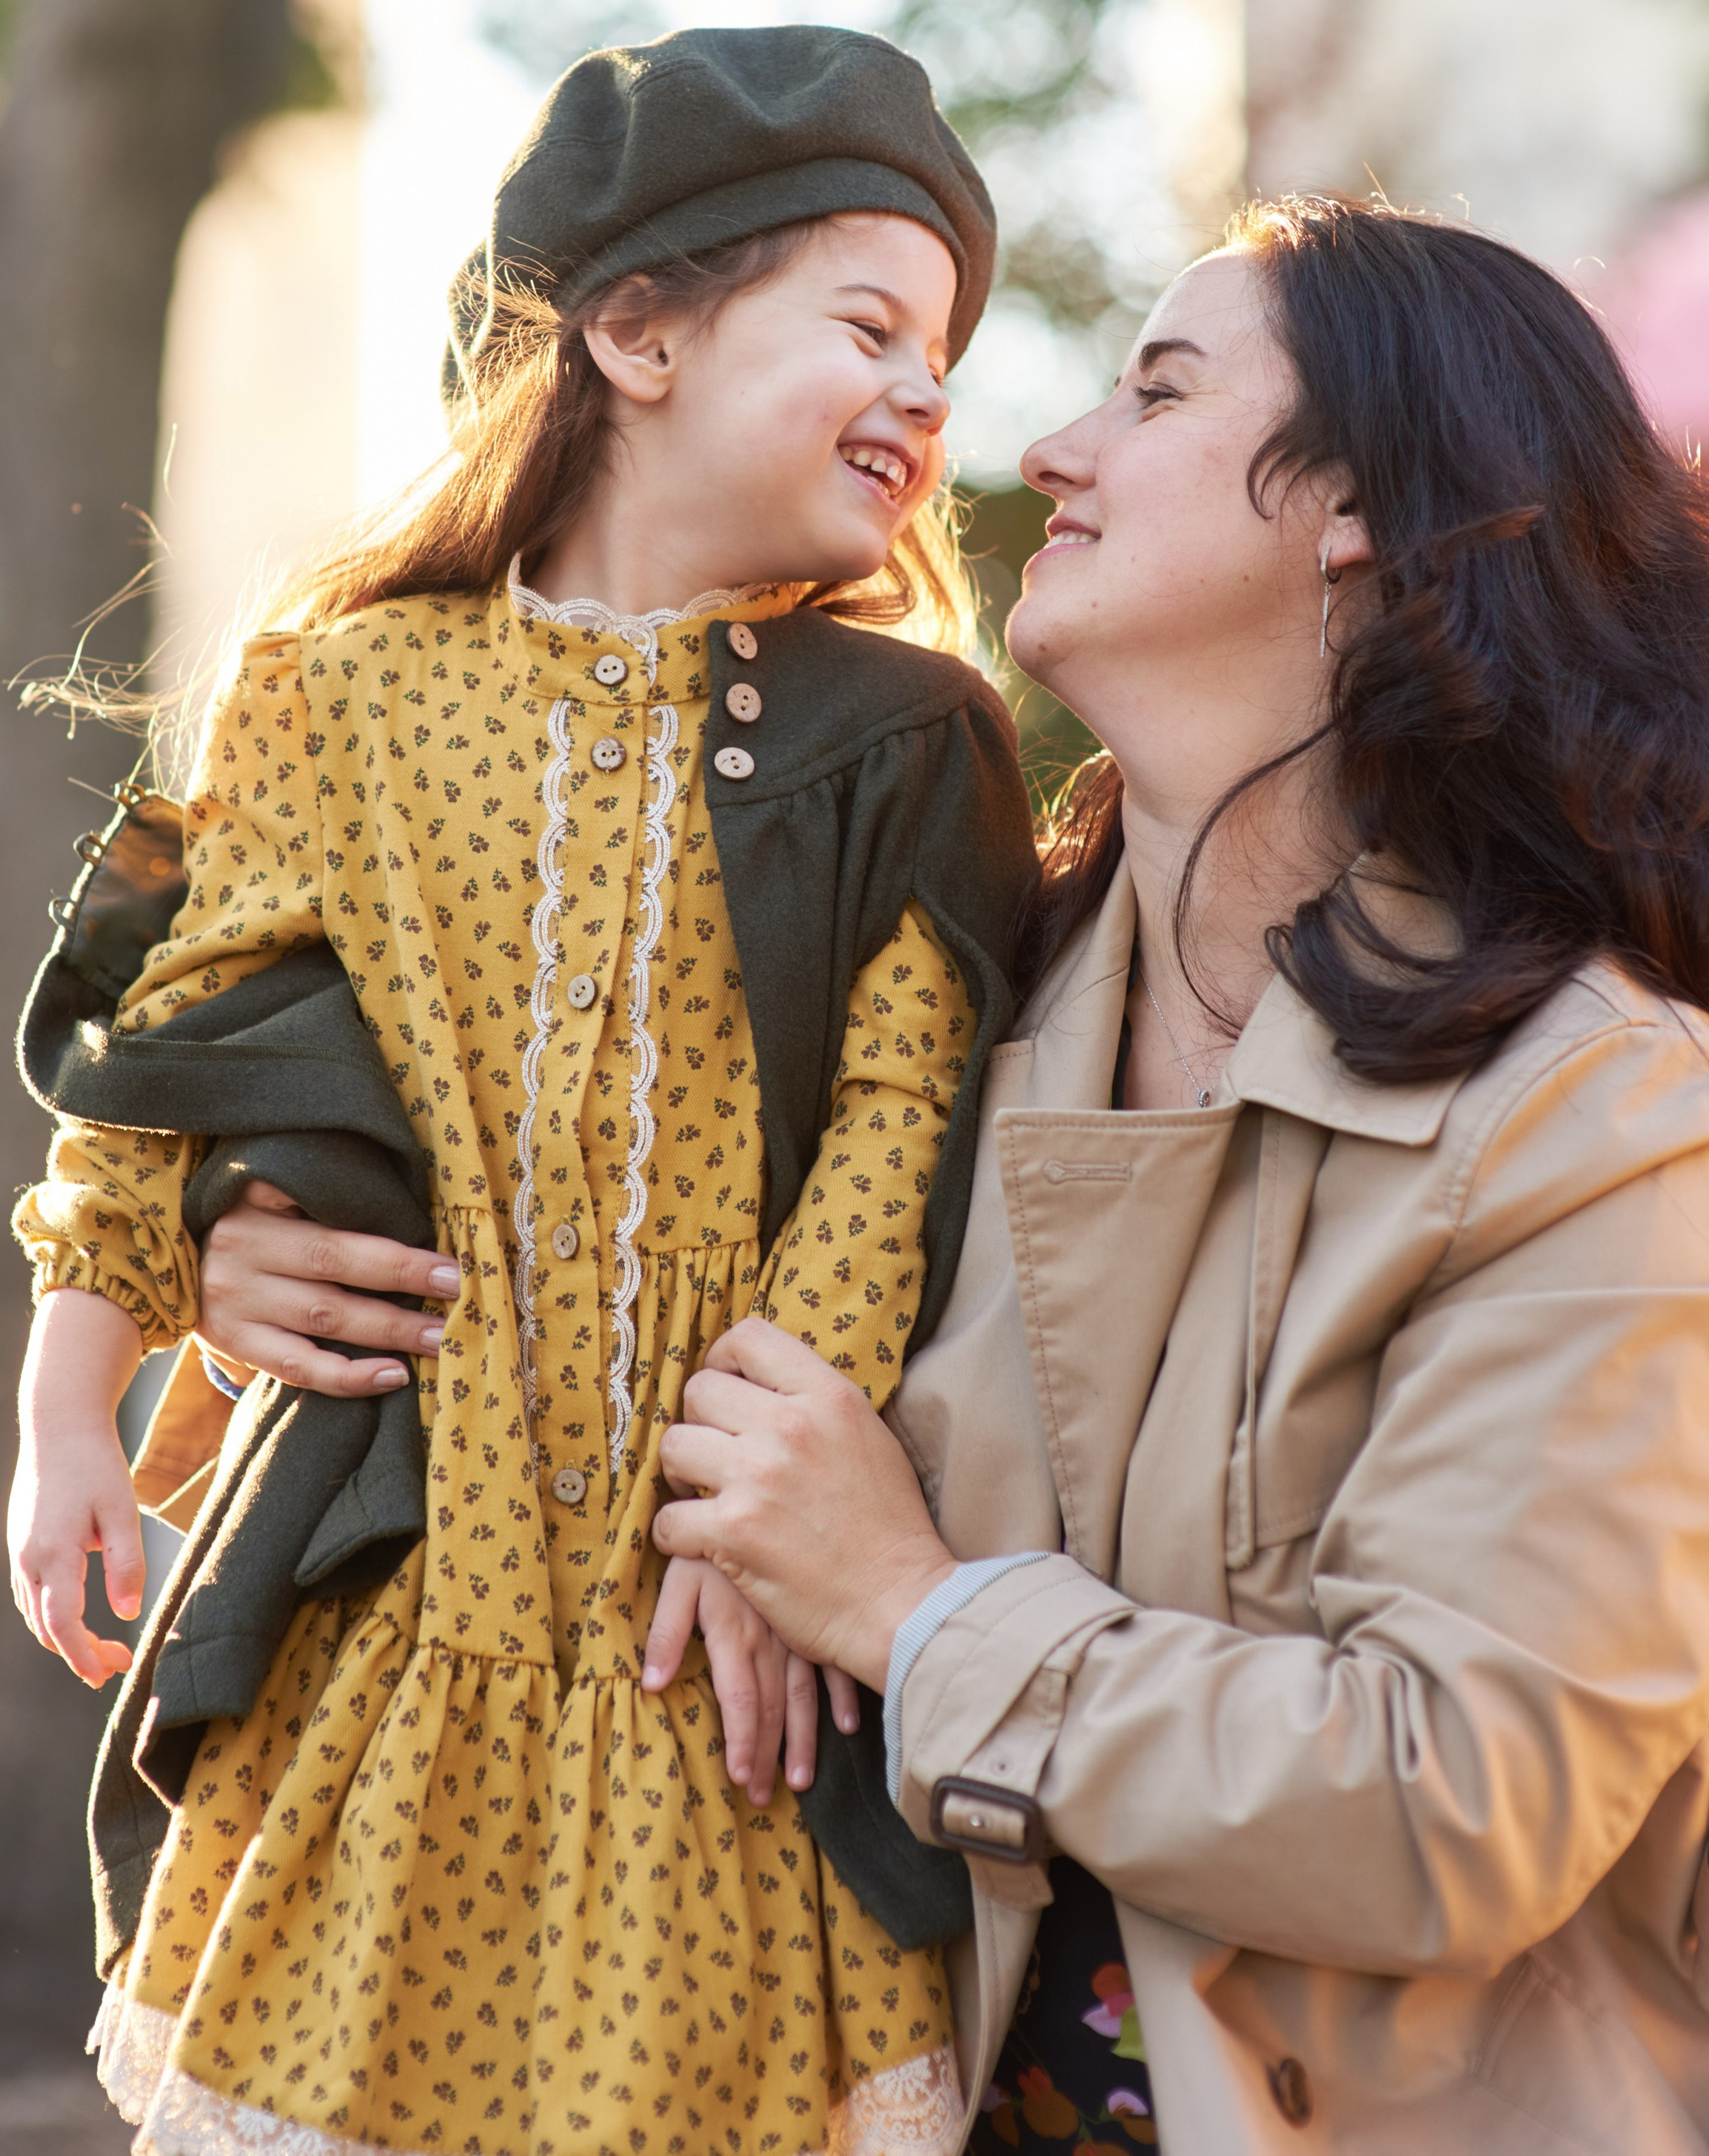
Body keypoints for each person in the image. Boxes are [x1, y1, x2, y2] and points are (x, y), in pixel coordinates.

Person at [4, 25, 1040, 2156]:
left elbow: (903, 1118)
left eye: (945, 350)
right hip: (406, 1614)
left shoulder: (909, 735)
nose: (931, 391)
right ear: (639, 329)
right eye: (872, 323)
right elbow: (172, 1047)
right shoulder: (342, 683)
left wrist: (770, 1499)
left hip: (711, 1645)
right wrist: (68, 1397)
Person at [649, 198, 1709, 2155]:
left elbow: (1455, 1796)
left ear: (1364, 506)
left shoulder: (1600, 1116)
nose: (1046, 446)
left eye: (1157, 387)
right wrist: (269, 1238)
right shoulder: (947, 1025)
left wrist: (918, 1608)